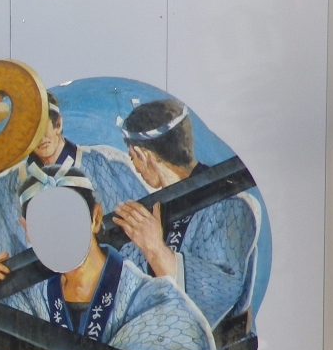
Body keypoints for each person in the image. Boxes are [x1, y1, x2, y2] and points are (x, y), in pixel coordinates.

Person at [0, 163, 215, 350]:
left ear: (95, 218)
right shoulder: (24, 299)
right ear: (27, 230)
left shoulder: (157, 301)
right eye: (42, 224)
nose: (57, 235)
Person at [111, 98, 260, 331]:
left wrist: (156, 250)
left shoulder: (230, 204)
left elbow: (216, 297)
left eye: (133, 158)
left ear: (143, 155)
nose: (136, 169)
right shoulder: (157, 208)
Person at [0, 91, 146, 264]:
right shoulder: (4, 187)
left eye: (43, 127)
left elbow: (149, 224)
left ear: (58, 124)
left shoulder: (106, 161)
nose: (40, 137)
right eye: (29, 131)